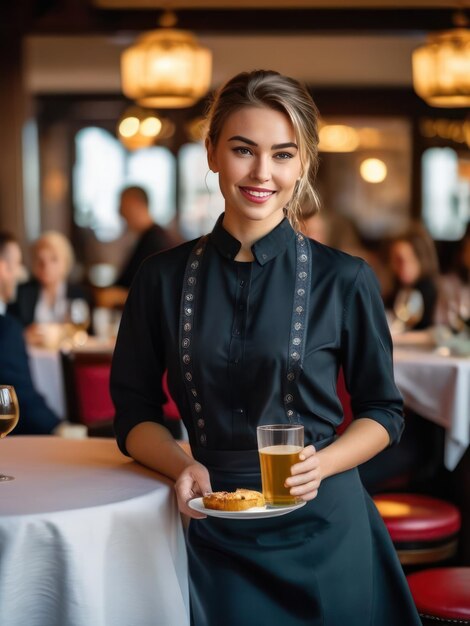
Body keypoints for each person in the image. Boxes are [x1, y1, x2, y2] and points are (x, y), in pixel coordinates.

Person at [111, 70, 421, 626]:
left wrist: (321, 465)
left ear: (302, 163)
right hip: (209, 524)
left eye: (282, 154)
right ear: (211, 153)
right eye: (242, 150)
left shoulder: (345, 278)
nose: (262, 173)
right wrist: (181, 463)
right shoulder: (158, 278)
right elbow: (132, 413)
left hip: (324, 524)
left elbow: (384, 411)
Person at [0, 232, 61, 435]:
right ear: (2, 267)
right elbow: (22, 401)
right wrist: (60, 429)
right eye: (17, 264)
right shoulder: (7, 329)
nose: (20, 273)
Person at [96, 186, 175, 308]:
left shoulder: (157, 241)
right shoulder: (144, 237)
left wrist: (118, 296)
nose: (120, 212)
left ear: (136, 204)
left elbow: (158, 293)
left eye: (122, 205)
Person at [7, 230, 91, 343]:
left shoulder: (78, 294)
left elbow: (87, 333)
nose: (46, 266)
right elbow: (9, 329)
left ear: (66, 262)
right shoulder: (22, 292)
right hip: (32, 355)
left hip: (68, 356)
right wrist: (24, 334)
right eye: (40, 260)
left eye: (54, 259)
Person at [384, 222, 439, 330]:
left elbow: (433, 333)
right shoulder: (398, 288)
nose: (396, 266)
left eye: (402, 260)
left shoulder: (429, 290)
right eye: (394, 260)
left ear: (421, 258)